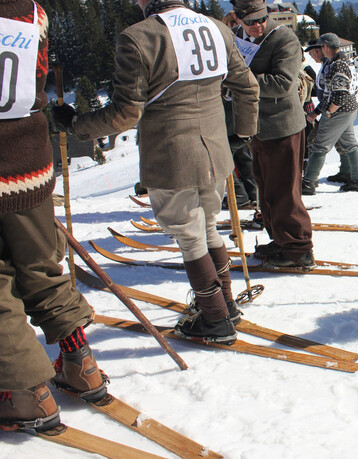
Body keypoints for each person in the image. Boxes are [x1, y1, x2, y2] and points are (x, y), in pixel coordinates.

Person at [52, 0, 259, 343]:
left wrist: (77, 124)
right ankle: (225, 305)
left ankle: (215, 319)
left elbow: (126, 113)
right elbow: (248, 87)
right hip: (215, 151)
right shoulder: (217, 27)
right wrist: (243, 133)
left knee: (190, 236)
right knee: (207, 227)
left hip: (172, 154)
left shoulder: (139, 36)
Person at [1, 0, 108, 433]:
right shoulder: (33, 12)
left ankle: (24, 393)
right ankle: (81, 365)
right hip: (28, 161)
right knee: (42, 267)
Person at [229, 0, 315, 269]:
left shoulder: (284, 38)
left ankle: (298, 250)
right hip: (256, 127)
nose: (258, 25)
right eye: (250, 21)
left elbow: (282, 84)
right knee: (266, 189)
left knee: (284, 191)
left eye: (262, 19)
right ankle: (281, 239)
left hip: (282, 126)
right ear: (238, 18)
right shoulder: (235, 36)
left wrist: (236, 79)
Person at [302, 32, 358, 193]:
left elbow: (339, 94)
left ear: (325, 46)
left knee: (319, 145)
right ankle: (356, 180)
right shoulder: (342, 61)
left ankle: (308, 182)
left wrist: (329, 112)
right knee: (349, 144)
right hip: (348, 110)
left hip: (339, 112)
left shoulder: (338, 65)